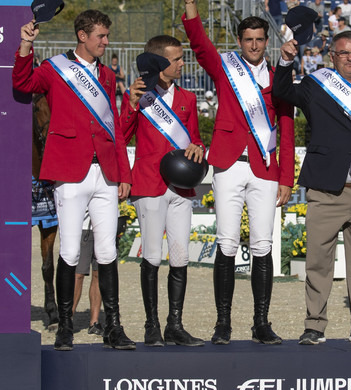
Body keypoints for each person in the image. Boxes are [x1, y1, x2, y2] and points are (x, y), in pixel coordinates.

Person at [14, 10, 134, 351]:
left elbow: (114, 129)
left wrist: (124, 174)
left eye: (106, 36)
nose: (106, 42)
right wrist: (25, 44)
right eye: (101, 36)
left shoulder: (109, 76)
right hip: (70, 172)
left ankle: (114, 326)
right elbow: (22, 84)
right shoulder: (54, 69)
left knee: (108, 251)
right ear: (83, 36)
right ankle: (65, 326)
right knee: (68, 251)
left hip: (106, 173)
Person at [183, 0, 295, 345]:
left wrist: (287, 177)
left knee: (263, 245)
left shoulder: (279, 77)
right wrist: (190, 8)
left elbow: (287, 127)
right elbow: (200, 45)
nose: (255, 45)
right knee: (227, 243)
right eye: (248, 39)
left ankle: (261, 322)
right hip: (229, 165)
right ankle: (223, 323)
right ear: (239, 41)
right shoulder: (225, 67)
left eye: (260, 39)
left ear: (267, 41)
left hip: (264, 168)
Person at [275, 31, 351, 345]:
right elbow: (282, 90)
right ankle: (314, 325)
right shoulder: (315, 86)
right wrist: (286, 61)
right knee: (317, 261)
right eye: (344, 53)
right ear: (332, 56)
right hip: (326, 189)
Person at [121, 35, 207, 347]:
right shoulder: (141, 94)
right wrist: (130, 104)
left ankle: (175, 325)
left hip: (181, 187)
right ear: (159, 62)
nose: (183, 64)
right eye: (177, 59)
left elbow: (195, 138)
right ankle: (151, 325)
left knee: (181, 255)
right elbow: (123, 133)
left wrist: (198, 148)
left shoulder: (188, 98)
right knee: (153, 256)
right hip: (149, 183)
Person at [73, 215, 103, 337]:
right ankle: (67, 319)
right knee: (77, 274)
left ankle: (94, 322)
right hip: (83, 225)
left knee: (99, 273)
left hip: (105, 226)